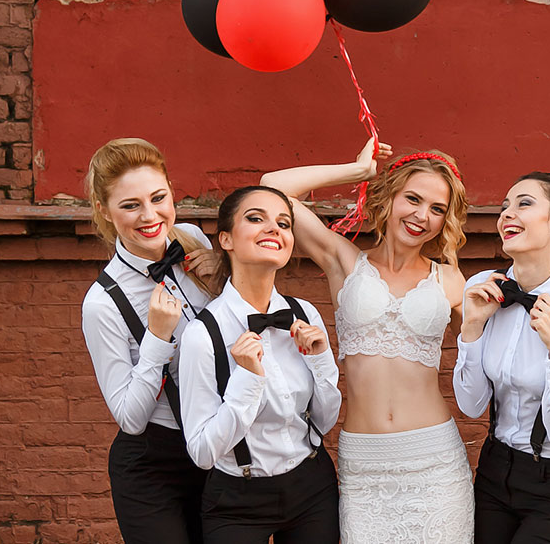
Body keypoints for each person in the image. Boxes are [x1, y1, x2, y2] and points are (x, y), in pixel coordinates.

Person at [260, 138, 474, 543]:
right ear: (389, 197)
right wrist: (359, 170)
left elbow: (482, 360)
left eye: (437, 209)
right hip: (365, 465)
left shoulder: (450, 280)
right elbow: (273, 188)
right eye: (413, 199)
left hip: (434, 462)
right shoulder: (345, 261)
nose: (422, 216)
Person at [454, 172, 550, 544]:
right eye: (504, 206)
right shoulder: (484, 289)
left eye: (524, 203)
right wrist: (471, 328)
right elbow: (471, 405)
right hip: (493, 473)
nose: (507, 214)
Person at [179, 185, 342, 543]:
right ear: (226, 239)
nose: (273, 229)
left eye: (283, 224)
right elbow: (202, 453)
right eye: (256, 219)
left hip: (312, 486)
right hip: (237, 499)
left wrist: (320, 361)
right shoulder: (202, 334)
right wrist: (247, 381)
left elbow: (325, 421)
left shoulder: (304, 314)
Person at [81, 137, 217, 544]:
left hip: (217, 446)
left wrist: (225, 275)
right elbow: (130, 418)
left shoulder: (194, 239)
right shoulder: (102, 303)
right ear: (104, 211)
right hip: (154, 465)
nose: (150, 215)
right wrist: (157, 339)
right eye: (130, 205)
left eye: (158, 198)